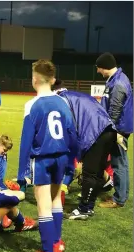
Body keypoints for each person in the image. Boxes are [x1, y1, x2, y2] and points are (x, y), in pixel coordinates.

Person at [17, 60, 78, 252]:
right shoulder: (62, 102)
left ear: (34, 79)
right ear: (52, 80)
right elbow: (72, 134)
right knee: (55, 200)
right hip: (61, 157)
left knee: (43, 204)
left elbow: (26, 142)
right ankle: (57, 242)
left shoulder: (32, 105)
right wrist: (71, 162)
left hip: (42, 159)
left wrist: (21, 172)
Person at [52, 80, 117, 219]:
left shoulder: (61, 99)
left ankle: (84, 209)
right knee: (97, 172)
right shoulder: (75, 95)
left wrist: (78, 153)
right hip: (108, 130)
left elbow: (71, 127)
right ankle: (89, 206)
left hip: (94, 134)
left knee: (89, 173)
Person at [95, 52, 133, 208]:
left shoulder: (118, 83)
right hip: (118, 128)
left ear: (104, 67)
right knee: (120, 163)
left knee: (119, 164)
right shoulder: (117, 79)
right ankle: (120, 195)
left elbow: (115, 111)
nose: (98, 71)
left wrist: (112, 131)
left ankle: (119, 199)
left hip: (118, 130)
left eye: (98, 68)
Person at [0, 134, 37, 229]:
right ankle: (15, 221)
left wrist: (5, 184)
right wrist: (4, 186)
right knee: (5, 196)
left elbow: (1, 173)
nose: (5, 153)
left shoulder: (4, 156)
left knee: (17, 195)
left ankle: (4, 218)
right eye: (4, 150)